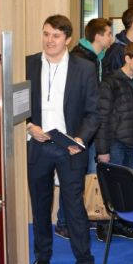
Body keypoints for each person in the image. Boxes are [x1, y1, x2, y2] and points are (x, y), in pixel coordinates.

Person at [25, 15, 101, 264]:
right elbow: (18, 104)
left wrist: (80, 140)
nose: (49, 40)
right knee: (40, 205)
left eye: (56, 36)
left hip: (70, 147)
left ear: (67, 39)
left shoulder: (84, 68)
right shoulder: (29, 64)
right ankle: (42, 258)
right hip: (38, 144)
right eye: (46, 34)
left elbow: (94, 112)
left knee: (74, 207)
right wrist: (29, 125)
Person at [49, 18, 114, 240]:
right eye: (108, 33)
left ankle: (78, 218)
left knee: (82, 178)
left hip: (90, 128)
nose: (111, 38)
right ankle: (64, 223)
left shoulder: (98, 59)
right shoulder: (80, 59)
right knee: (73, 179)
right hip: (77, 130)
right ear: (98, 36)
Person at [96, 42, 133, 170]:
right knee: (117, 180)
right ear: (127, 59)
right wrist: (103, 150)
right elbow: (102, 118)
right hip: (116, 144)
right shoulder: (110, 82)